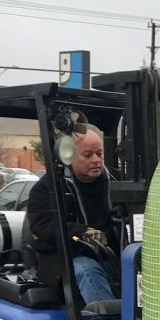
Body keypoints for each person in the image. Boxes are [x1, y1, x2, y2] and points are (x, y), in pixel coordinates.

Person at [26, 129, 117, 305]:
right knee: (87, 270)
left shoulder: (114, 181)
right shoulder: (48, 187)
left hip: (109, 254)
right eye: (88, 155)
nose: (96, 160)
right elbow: (42, 225)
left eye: (99, 154)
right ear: (69, 156)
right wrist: (81, 233)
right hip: (65, 258)